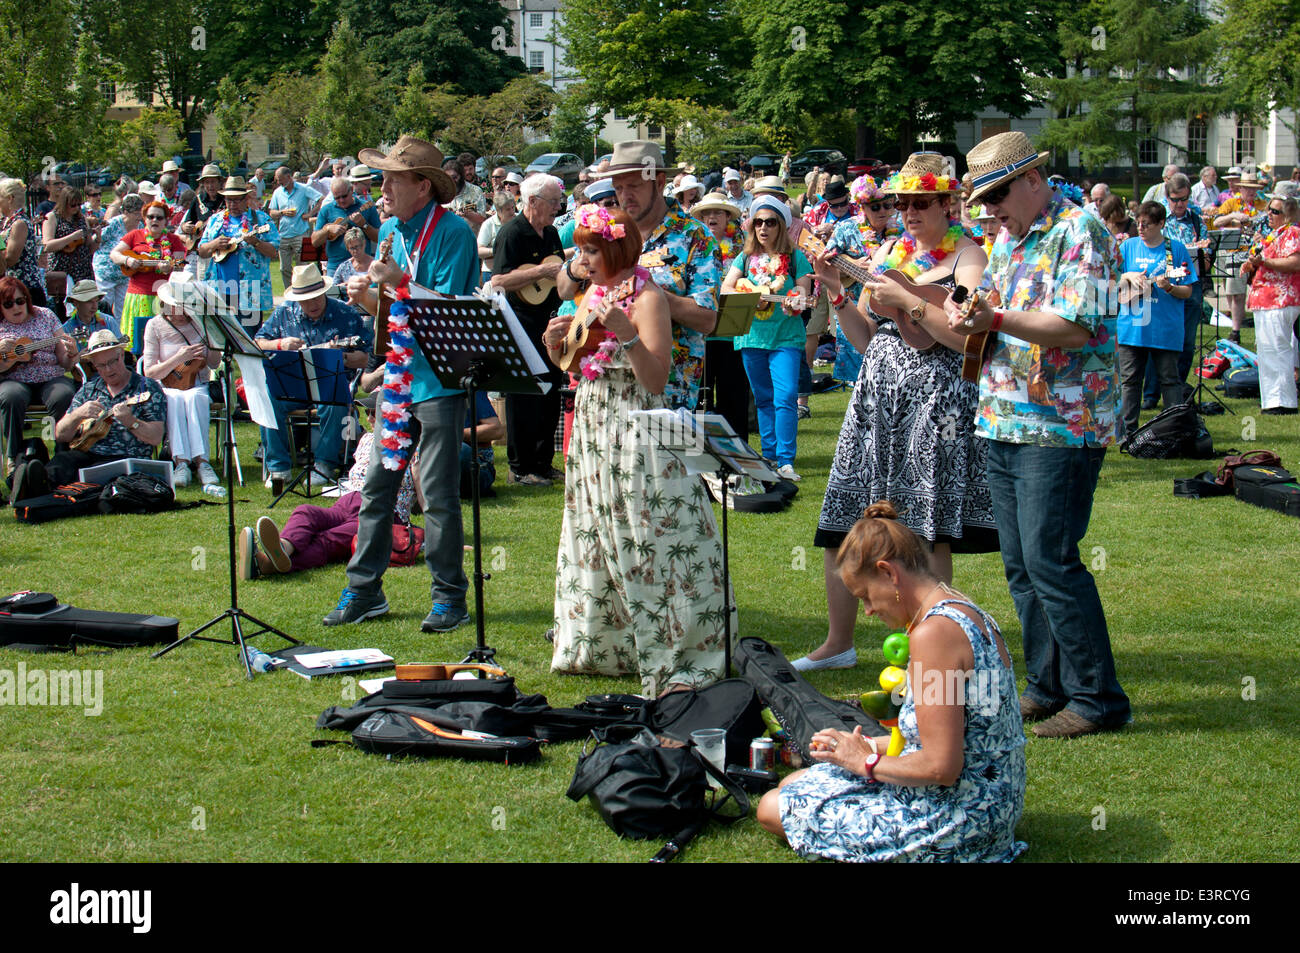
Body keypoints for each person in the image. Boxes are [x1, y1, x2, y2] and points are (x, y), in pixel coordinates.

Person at [946, 131, 1129, 739]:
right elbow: (993, 307)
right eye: (983, 198)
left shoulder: (1083, 232)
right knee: (1021, 564)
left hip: (1062, 425)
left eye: (996, 194)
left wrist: (992, 317)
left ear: (1033, 179)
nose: (989, 209)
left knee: (1051, 561)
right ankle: (1047, 687)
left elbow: (1078, 328)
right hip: (1002, 415)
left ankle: (1097, 699)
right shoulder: (1007, 238)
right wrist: (968, 310)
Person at [798, 153, 995, 671]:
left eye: (920, 203)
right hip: (876, 398)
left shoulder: (969, 258)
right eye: (900, 202)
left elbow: (963, 337)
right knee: (845, 514)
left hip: (933, 405)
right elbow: (865, 339)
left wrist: (908, 303)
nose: (908, 212)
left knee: (926, 526)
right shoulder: (886, 250)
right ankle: (838, 641)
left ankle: (935, 647)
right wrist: (839, 292)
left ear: (948, 203)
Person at [756, 501, 1027, 863]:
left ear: (888, 572)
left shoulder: (934, 635)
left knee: (772, 807)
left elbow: (940, 767)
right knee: (794, 783)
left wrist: (862, 762)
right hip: (994, 803)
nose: (868, 610)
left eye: (866, 596)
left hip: (957, 819)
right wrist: (866, 746)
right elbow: (963, 733)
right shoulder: (964, 609)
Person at [542, 205, 731, 696]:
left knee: (651, 528)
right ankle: (609, 643)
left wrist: (626, 334)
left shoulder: (647, 298)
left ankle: (679, 641)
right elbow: (572, 362)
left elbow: (655, 380)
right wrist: (554, 342)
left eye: (589, 249)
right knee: (600, 526)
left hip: (636, 426)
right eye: (580, 249)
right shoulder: (594, 292)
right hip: (594, 422)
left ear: (615, 249)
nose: (581, 259)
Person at [326, 135, 480, 632]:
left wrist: (395, 284)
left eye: (392, 178)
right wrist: (367, 297)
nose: (382, 188)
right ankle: (364, 590)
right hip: (398, 373)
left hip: (439, 379)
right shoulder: (389, 227)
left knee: (437, 493)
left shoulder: (454, 232)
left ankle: (449, 598)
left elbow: (448, 309)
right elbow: (395, 315)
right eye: (382, 178)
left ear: (422, 186)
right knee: (377, 487)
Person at [558, 140, 722, 412]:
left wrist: (646, 294)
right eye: (619, 187)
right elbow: (563, 288)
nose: (625, 195)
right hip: (605, 389)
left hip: (668, 395)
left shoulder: (696, 236)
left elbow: (708, 320)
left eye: (634, 185)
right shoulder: (610, 228)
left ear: (658, 182)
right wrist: (581, 267)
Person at [238, 397, 420, 579]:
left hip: (382, 510)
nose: (370, 418)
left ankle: (266, 564)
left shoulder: (413, 448)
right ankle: (282, 547)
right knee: (306, 511)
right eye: (367, 413)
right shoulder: (366, 440)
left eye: (374, 413)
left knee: (329, 539)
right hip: (348, 501)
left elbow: (424, 498)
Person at [255, 263, 371, 488]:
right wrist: (280, 343)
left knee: (335, 400)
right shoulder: (284, 313)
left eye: (317, 297)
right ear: (297, 300)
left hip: (331, 383)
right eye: (306, 300)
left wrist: (339, 357)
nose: (313, 304)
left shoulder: (345, 313)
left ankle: (324, 464)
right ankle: (279, 467)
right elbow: (257, 342)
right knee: (268, 399)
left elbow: (364, 357)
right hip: (292, 384)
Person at [721, 195, 812, 481]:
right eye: (757, 222)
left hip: (786, 336)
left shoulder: (796, 257)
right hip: (751, 337)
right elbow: (726, 288)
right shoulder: (745, 257)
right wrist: (749, 293)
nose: (763, 227)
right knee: (763, 399)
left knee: (785, 396)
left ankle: (786, 460)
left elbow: (804, 292)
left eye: (770, 222)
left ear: (781, 226)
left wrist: (795, 299)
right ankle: (769, 456)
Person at [491, 172, 566, 487]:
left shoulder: (551, 233)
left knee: (550, 391)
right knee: (524, 394)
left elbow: (561, 272)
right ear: (532, 201)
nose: (557, 208)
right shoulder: (512, 232)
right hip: (520, 322)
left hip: (549, 320)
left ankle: (544, 462)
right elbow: (497, 281)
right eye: (553, 202)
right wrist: (541, 271)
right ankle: (521, 468)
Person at [33, 330, 166, 490]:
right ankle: (32, 483)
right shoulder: (89, 390)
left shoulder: (146, 387)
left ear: (122, 356)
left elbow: (156, 437)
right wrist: (77, 415)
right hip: (90, 455)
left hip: (126, 460)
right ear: (94, 365)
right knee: (62, 462)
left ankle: (38, 490)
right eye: (101, 365)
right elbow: (60, 435)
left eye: (113, 361)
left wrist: (132, 422)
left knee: (87, 484)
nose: (109, 369)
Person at [1116, 201, 1196, 441]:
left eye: (1147, 225)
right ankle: (1127, 433)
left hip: (1164, 326)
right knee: (1130, 381)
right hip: (1132, 326)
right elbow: (1110, 280)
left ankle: (1173, 431)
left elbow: (1188, 291)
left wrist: (1169, 287)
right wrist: (1128, 277)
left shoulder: (1174, 250)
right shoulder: (1128, 247)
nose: (1140, 228)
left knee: (1169, 380)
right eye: (1138, 223)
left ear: (1161, 224)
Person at [140, 274, 223, 490]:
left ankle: (202, 461)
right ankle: (181, 463)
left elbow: (214, 365)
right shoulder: (154, 326)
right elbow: (149, 372)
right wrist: (179, 357)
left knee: (195, 397)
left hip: (198, 384)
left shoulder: (201, 322)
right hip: (167, 386)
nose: (180, 311)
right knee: (175, 399)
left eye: (184, 305)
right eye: (175, 305)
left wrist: (213, 339)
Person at [0, 277, 78, 483]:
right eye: (8, 304)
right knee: (10, 396)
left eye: (20, 300)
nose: (16, 307)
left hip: (49, 376)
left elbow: (64, 363)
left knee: (64, 395)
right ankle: (13, 457)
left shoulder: (46, 315)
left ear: (27, 299)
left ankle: (63, 454)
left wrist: (71, 355)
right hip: (13, 378)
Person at [691, 193, 750, 440]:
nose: (712, 217)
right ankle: (700, 451)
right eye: (707, 213)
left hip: (732, 331)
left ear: (728, 218)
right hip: (698, 333)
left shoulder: (743, 247)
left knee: (733, 395)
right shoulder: (693, 246)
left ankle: (737, 454)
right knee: (699, 398)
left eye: (718, 213)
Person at [1241, 193, 1300, 414]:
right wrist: (1252, 265)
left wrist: (1264, 261)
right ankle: (1271, 399)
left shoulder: (1293, 233)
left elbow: (1295, 262)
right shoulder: (1274, 235)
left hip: (1280, 300)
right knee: (1266, 351)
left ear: (1288, 214)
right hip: (1265, 300)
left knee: (1278, 349)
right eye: (1269, 209)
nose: (1270, 214)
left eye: (1276, 211)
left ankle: (1284, 401)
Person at [199, 178, 279, 334]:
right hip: (219, 288)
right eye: (229, 200)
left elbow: (273, 252)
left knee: (248, 336)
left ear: (246, 199)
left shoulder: (261, 219)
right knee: (220, 335)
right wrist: (214, 244)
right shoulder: (216, 219)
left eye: (237, 200)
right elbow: (201, 251)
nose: (232, 204)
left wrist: (256, 242)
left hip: (250, 289)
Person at [110, 200, 187, 354]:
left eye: (159, 218)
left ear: (166, 220)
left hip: (164, 297)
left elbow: (180, 265)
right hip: (138, 296)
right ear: (144, 219)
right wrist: (128, 260)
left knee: (163, 342)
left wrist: (170, 267)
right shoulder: (134, 235)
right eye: (150, 217)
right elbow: (114, 254)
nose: (154, 220)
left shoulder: (174, 240)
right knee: (138, 342)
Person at [1212, 171, 1268, 343]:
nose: (1251, 193)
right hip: (1232, 250)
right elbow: (1216, 222)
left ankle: (1237, 330)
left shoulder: (1263, 205)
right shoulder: (1231, 203)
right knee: (1232, 291)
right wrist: (1233, 216)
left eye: (1254, 189)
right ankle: (1236, 326)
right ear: (1240, 189)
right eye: (1247, 189)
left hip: (1253, 252)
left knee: (1241, 292)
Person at [43, 185, 98, 313]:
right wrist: (71, 237)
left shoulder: (81, 219)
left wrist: (98, 238)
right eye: (72, 205)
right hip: (61, 272)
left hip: (82, 271)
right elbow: (47, 245)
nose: (76, 208)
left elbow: (90, 248)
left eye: (79, 205)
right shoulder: (52, 217)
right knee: (60, 310)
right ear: (64, 203)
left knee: (86, 309)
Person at [312, 176, 381, 274]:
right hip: (335, 266)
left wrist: (364, 224)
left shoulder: (367, 207)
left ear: (351, 190)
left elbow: (379, 237)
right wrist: (327, 229)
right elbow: (314, 241)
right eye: (337, 198)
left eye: (344, 196)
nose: (341, 200)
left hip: (362, 266)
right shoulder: (326, 210)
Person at [267, 167, 318, 290]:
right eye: (277, 180)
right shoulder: (278, 192)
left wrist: (310, 214)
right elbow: (271, 212)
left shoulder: (303, 189)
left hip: (301, 233)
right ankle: (289, 293)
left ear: (289, 177)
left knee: (303, 268)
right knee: (284, 268)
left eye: (281, 180)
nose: (279, 183)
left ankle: (304, 292)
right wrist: (282, 212)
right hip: (283, 234)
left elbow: (320, 199)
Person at [0, 177, 47, 306]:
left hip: (26, 290)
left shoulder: (19, 223)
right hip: (13, 290)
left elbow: (10, 259)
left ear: (9, 199)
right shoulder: (8, 222)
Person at [179, 164, 226, 280]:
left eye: (213, 182)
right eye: (207, 182)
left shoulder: (226, 200)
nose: (210, 186)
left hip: (223, 250)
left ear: (220, 182)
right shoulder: (198, 199)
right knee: (204, 287)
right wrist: (186, 227)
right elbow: (187, 222)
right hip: (203, 251)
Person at [62, 279, 121, 346]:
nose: (95, 306)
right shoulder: (67, 329)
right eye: (89, 301)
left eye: (96, 301)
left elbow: (120, 348)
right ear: (76, 303)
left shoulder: (109, 321)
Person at [477, 191, 517, 282]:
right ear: (499, 211)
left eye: (513, 207)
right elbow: (478, 250)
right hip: (492, 273)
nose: (512, 212)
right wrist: (497, 250)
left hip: (515, 271)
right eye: (508, 209)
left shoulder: (519, 221)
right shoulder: (488, 224)